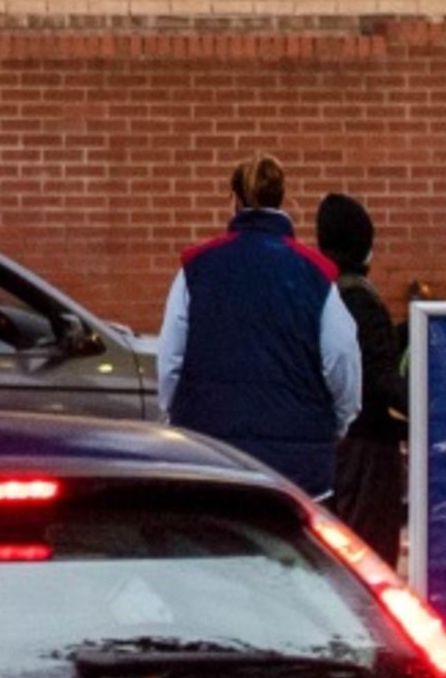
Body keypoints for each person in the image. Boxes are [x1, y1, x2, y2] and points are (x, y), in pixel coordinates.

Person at [154, 156, 362, 496]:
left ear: (233, 200)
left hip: (210, 454)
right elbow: (341, 358)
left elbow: (170, 361)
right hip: (298, 465)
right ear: (282, 199)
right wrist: (337, 422)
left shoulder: (196, 268)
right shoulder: (316, 273)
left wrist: (176, 419)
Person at [316, 190, 411, 563]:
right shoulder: (359, 298)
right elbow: (379, 379)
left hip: (337, 448)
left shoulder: (324, 290)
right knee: (368, 558)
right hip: (368, 449)